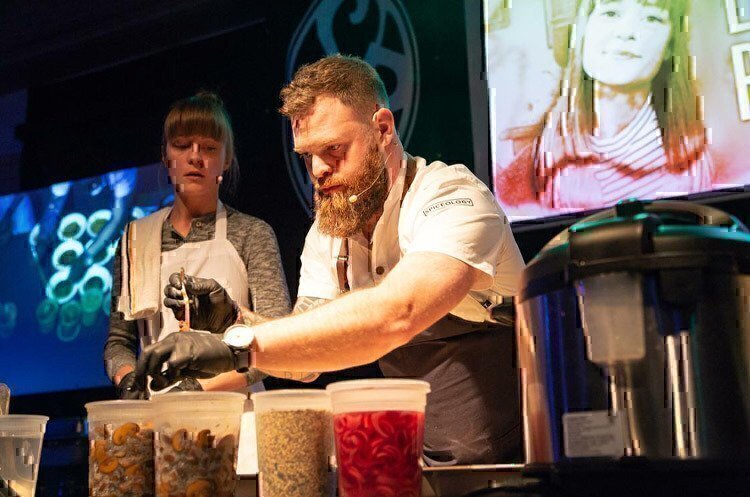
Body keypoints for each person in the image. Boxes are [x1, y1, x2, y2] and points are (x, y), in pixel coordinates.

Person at [135, 56, 526, 464]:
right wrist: (234, 320)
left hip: (520, 455)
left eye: (334, 149)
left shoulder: (451, 197)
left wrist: (239, 348)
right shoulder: (327, 236)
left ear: (383, 129)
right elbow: (303, 364)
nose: (318, 170)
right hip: (427, 459)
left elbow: (399, 312)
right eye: (307, 156)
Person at [105, 91, 291, 398]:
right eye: (181, 145)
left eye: (209, 148)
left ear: (226, 160)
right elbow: (119, 342)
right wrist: (127, 379)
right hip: (160, 409)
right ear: (165, 155)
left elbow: (277, 342)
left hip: (236, 410)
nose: (195, 157)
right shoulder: (134, 240)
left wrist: (196, 388)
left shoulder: (251, 233)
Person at [495, 0, 713, 212]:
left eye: (651, 18)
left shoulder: (691, 165)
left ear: (670, 46)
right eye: (610, 13)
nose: (627, 32)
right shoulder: (532, 152)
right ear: (582, 30)